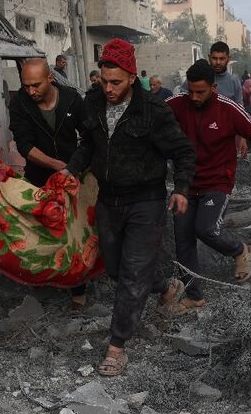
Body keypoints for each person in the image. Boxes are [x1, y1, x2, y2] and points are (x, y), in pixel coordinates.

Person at [63, 38, 195, 376]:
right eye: (104, 81)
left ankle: (116, 347)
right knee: (116, 268)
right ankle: (167, 287)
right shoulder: (92, 103)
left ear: (132, 77)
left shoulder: (153, 110)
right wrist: (72, 169)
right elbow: (87, 145)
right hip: (109, 200)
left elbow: (182, 152)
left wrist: (180, 189)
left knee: (133, 275)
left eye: (116, 82)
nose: (108, 88)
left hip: (145, 201)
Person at [166, 61, 251, 311]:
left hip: (218, 181)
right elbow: (151, 113)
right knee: (183, 240)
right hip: (185, 184)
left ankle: (240, 250)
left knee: (206, 228)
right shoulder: (177, 104)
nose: (195, 97)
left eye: (201, 92)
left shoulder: (228, 109)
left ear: (214, 88)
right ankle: (193, 296)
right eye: (191, 91)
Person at [8, 58, 89, 310]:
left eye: (36, 85)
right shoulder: (20, 102)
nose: (30, 91)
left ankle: (79, 291)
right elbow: (25, 145)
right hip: (39, 177)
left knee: (75, 233)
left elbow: (89, 138)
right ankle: (44, 284)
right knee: (42, 232)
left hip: (74, 176)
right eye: (26, 85)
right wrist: (58, 167)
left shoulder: (72, 99)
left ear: (50, 78)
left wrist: (72, 168)